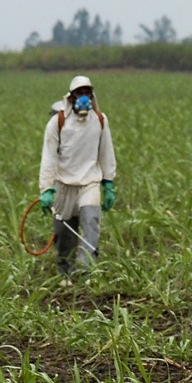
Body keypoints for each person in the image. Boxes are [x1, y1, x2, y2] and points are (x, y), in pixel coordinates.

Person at [37, 75, 118, 277]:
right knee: (64, 232)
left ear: (92, 96)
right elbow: (48, 157)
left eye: (87, 93)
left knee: (91, 223)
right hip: (64, 184)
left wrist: (108, 183)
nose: (84, 97)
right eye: (79, 93)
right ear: (71, 97)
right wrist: (46, 189)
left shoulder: (100, 120)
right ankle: (66, 272)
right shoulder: (58, 122)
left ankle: (86, 271)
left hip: (89, 182)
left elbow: (106, 152)